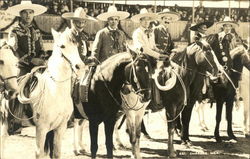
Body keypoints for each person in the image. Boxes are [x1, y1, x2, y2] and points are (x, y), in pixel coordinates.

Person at [6, 0, 47, 135]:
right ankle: (13, 122)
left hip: (37, 65)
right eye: (25, 13)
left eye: (30, 13)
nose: (28, 16)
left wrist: (42, 58)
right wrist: (31, 60)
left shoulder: (36, 30)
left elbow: (41, 47)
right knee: (16, 89)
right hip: (22, 66)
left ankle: (48, 116)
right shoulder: (14, 30)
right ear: (20, 14)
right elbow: (15, 48)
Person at [62, 7, 97, 155]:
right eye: (78, 21)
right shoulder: (67, 35)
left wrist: (90, 60)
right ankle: (67, 115)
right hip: (70, 70)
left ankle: (79, 143)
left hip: (82, 69)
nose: (80, 24)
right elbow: (69, 55)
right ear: (72, 21)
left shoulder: (84, 36)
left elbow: (85, 54)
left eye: (83, 21)